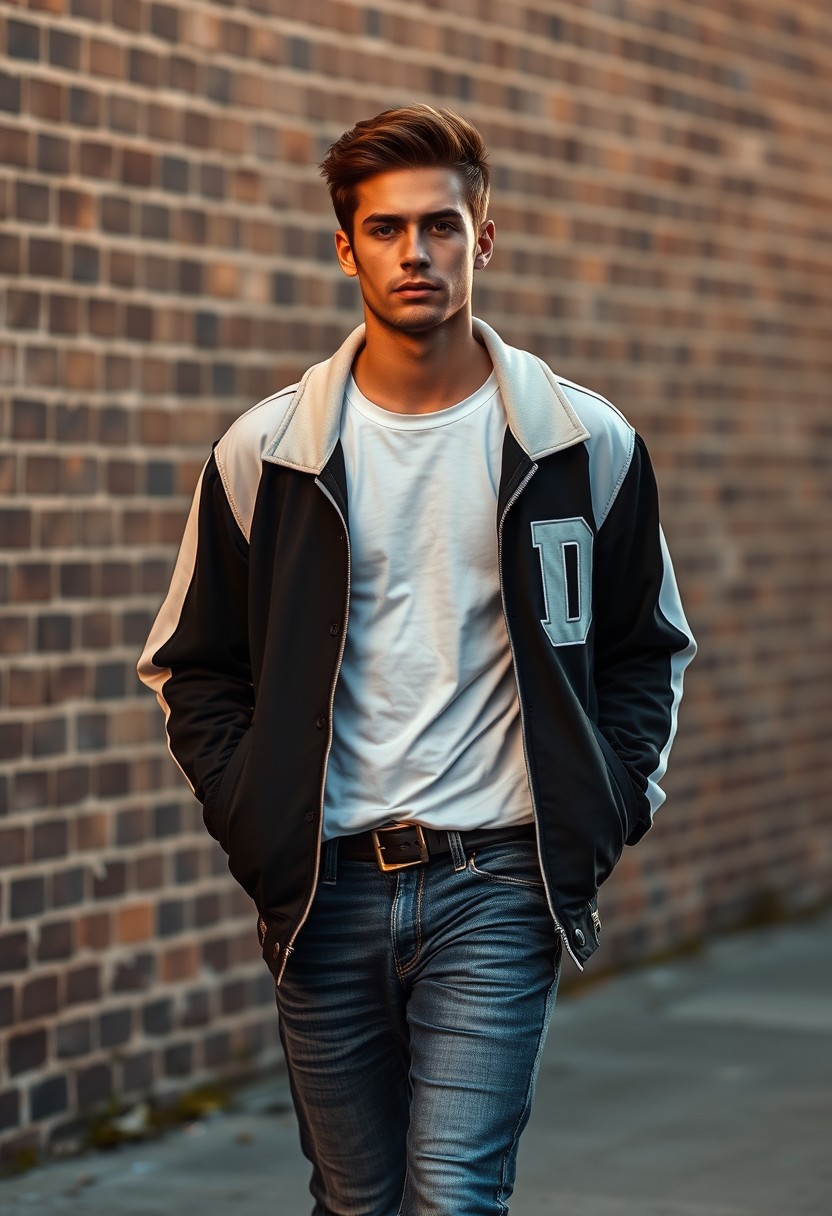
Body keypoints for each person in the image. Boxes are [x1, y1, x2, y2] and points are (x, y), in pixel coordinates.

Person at [138, 104, 696, 1216]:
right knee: (357, 1200)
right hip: (323, 887)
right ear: (344, 247)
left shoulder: (581, 446)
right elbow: (192, 665)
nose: (415, 254)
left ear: (483, 236)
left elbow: (647, 649)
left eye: (440, 227)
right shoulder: (270, 453)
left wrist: (611, 796)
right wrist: (253, 813)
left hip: (498, 880)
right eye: (385, 230)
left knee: (453, 1197)